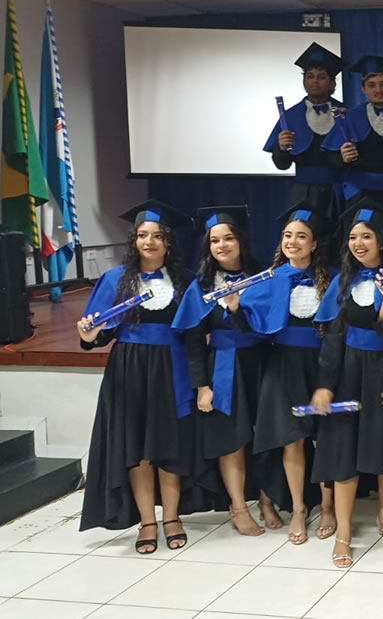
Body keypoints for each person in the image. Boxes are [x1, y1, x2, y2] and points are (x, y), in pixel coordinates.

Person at [77, 200, 196, 553]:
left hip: (172, 367)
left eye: (157, 236)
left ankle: (171, 517)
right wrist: (89, 335)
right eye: (143, 235)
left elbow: (195, 332)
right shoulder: (115, 280)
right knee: (137, 446)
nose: (150, 242)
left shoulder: (185, 280)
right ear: (134, 240)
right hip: (130, 369)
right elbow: (98, 334)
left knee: (169, 445)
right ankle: (147, 521)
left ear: (168, 242)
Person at [310, 198, 383, 568]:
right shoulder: (343, 281)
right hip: (348, 374)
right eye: (353, 237)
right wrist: (326, 384)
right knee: (345, 452)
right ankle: (343, 531)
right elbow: (333, 337)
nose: (358, 244)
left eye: (367, 237)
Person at [229, 200, 335, 546]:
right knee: (292, 439)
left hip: (323, 364)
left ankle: (329, 507)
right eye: (287, 235)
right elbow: (251, 327)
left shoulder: (333, 279)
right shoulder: (268, 279)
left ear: (314, 243)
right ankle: (299, 509)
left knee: (325, 438)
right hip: (284, 364)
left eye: (301, 236)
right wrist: (235, 309)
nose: (292, 241)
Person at [172, 206, 283, 536]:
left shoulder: (263, 277)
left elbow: (268, 326)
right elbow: (193, 340)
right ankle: (238, 507)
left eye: (228, 238)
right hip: (222, 364)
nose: (221, 246)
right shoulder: (202, 285)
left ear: (241, 241)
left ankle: (266, 499)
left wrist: (236, 309)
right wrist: (201, 386)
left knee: (265, 436)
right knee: (231, 439)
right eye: (214, 240)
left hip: (262, 362)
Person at [263, 42, 345, 218]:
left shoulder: (345, 113)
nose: (315, 81)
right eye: (310, 76)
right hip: (302, 193)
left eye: (321, 77)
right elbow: (282, 164)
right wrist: (281, 149)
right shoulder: (290, 116)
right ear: (304, 81)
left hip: (338, 191)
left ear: (332, 84)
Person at [323, 56, 383, 215]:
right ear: (363, 89)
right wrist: (342, 157)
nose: (378, 90)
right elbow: (330, 158)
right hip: (359, 196)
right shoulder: (350, 118)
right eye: (371, 85)